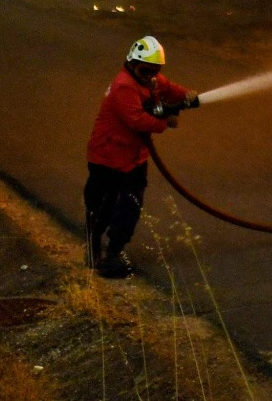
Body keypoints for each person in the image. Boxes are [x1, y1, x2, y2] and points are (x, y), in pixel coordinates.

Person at [83, 34, 197, 277]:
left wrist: (187, 96)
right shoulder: (124, 86)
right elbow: (137, 120)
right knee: (102, 207)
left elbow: (170, 89)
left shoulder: (151, 80)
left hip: (134, 159)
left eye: (154, 71)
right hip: (107, 158)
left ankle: (114, 252)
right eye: (145, 70)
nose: (150, 75)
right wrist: (166, 121)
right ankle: (94, 252)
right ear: (132, 63)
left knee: (130, 206)